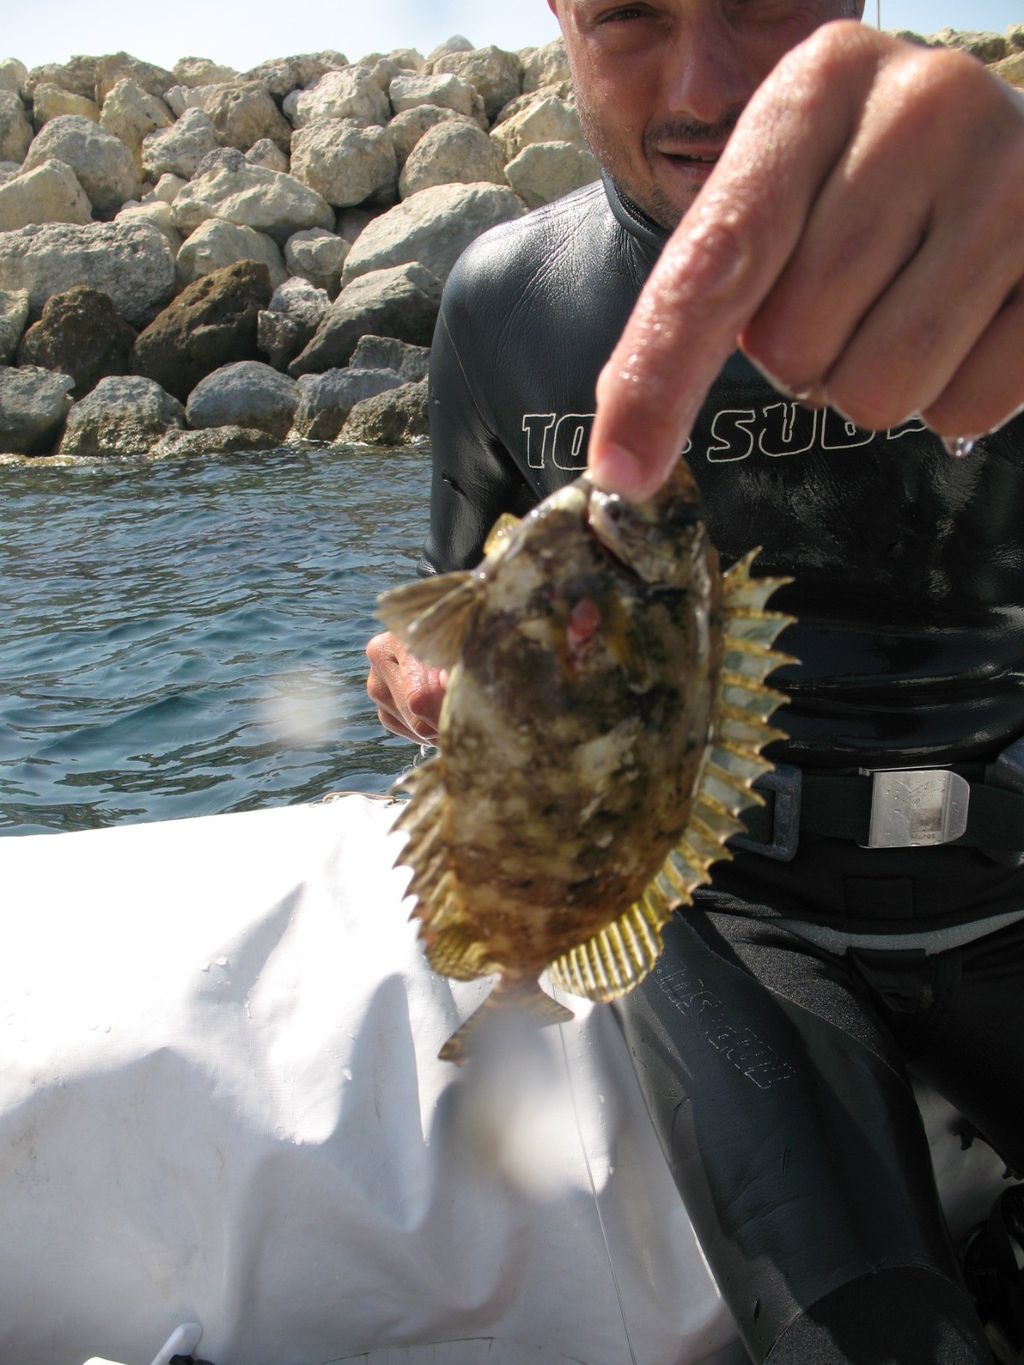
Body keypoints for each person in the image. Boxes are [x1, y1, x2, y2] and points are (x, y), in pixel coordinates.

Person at [366, 2, 1024, 1360]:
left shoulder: (985, 218)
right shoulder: (499, 304)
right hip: (720, 907)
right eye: (627, 16)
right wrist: (422, 682)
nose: (703, 84)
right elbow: (435, 610)